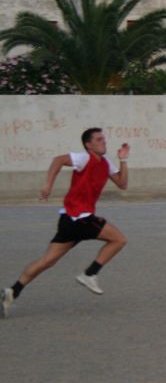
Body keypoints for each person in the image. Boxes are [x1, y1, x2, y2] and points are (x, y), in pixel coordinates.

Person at [1, 128, 129, 318]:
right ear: (88, 144)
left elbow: (122, 183)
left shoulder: (105, 162)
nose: (104, 142)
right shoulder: (84, 158)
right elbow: (58, 160)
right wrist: (48, 185)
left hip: (69, 220)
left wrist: (123, 160)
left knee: (48, 261)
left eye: (104, 139)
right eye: (99, 139)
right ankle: (90, 274)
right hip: (80, 218)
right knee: (119, 239)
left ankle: (12, 291)